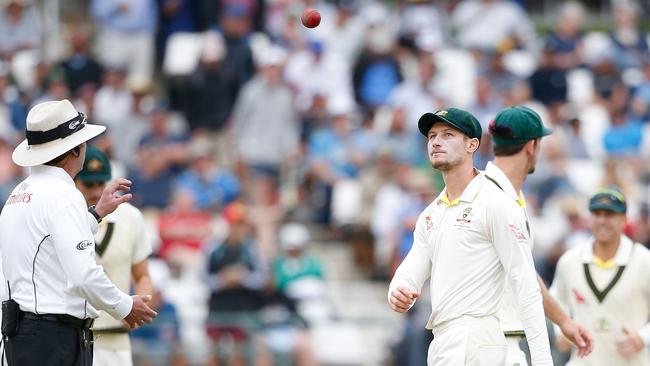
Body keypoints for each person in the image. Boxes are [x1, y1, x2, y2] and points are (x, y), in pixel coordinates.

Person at [388, 108, 552, 365]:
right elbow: (410, 271)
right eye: (431, 136)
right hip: (442, 339)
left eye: (448, 134)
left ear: (472, 144)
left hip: (477, 338)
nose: (436, 142)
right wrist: (398, 290)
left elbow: (526, 286)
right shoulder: (432, 214)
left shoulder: (496, 203)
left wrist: (543, 361)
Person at [0, 99, 157, 366]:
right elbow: (83, 275)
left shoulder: (18, 194)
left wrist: (96, 214)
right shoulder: (64, 195)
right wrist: (125, 305)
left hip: (24, 334)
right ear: (74, 149)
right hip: (53, 339)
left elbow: (50, 245)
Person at [486, 105, 594, 364]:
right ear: (532, 145)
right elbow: (524, 280)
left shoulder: (509, 196)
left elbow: (526, 273)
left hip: (498, 343)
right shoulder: (491, 199)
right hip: (487, 346)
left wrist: (565, 321)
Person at [73, 146, 153, 366]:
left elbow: (142, 275)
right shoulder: (66, 217)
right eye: (88, 184)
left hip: (117, 339)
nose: (97, 191)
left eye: (102, 183)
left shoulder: (131, 217)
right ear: (74, 182)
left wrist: (141, 306)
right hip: (74, 335)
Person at [551, 188, 650, 366]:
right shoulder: (570, 261)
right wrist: (561, 330)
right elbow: (556, 299)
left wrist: (643, 338)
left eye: (610, 214)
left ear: (624, 220)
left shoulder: (644, 261)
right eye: (597, 214)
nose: (602, 221)